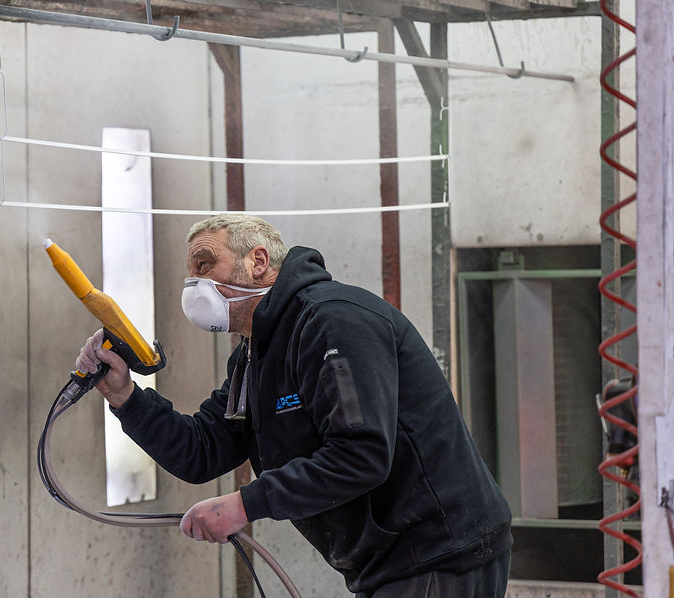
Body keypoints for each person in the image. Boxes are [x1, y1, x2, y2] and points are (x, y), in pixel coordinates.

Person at [76, 214, 512, 598]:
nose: (193, 285)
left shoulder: (333, 322)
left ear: (258, 262)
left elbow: (361, 454)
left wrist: (244, 505)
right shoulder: (253, 355)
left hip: (439, 550)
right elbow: (203, 450)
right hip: (388, 561)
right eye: (190, 273)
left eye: (205, 265)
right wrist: (125, 397)